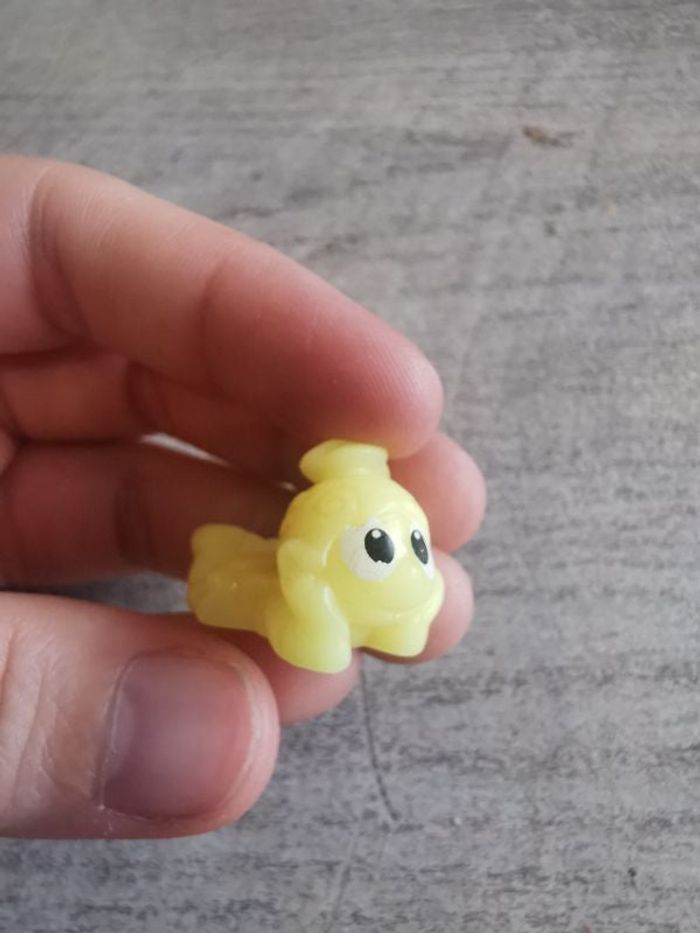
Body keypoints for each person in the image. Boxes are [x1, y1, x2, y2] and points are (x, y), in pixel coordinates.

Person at [0, 155, 486, 839]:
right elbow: (315, 640)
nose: (410, 552)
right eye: (385, 542)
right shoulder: (304, 589)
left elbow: (401, 605)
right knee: (250, 598)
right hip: (256, 582)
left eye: (411, 542)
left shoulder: (392, 580)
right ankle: (219, 564)